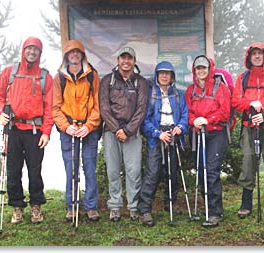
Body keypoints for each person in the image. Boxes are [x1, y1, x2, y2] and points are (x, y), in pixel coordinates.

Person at [0, 37, 54, 224]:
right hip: (12, 128)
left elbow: (50, 107)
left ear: (40, 54)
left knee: (35, 170)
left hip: (35, 131)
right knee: (13, 169)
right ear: (23, 50)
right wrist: (0, 111)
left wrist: (46, 132)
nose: (32, 52)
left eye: (36, 50)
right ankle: (17, 206)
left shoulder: (45, 77)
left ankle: (36, 206)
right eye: (29, 49)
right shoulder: (9, 72)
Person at [231, 42, 264, 218]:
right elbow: (235, 101)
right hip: (249, 127)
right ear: (249, 57)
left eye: (260, 53)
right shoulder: (243, 78)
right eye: (253, 54)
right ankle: (246, 204)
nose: (257, 56)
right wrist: (250, 104)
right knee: (248, 161)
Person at [52, 40, 101, 222]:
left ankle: (91, 206)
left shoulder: (91, 75)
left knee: (89, 167)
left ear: (82, 55)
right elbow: (55, 108)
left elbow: (98, 105)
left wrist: (89, 125)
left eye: (77, 52)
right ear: (66, 55)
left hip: (89, 130)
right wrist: (66, 126)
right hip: (69, 130)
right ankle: (72, 206)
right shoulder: (59, 78)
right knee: (71, 168)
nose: (74, 55)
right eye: (71, 52)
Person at [99, 46, 148, 222]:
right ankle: (114, 206)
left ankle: (133, 207)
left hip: (132, 133)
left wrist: (127, 131)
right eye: (123, 58)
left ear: (134, 61)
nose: (126, 61)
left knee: (133, 171)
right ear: (118, 60)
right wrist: (116, 129)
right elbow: (104, 107)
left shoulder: (141, 82)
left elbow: (142, 109)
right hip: (111, 132)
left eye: (130, 58)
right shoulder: (107, 81)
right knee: (113, 170)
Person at [138, 61, 188, 227]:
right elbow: (144, 120)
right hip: (156, 137)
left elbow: (185, 115)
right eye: (161, 73)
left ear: (172, 76)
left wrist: (181, 127)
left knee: (172, 172)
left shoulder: (179, 95)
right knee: (153, 173)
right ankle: (145, 209)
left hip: (173, 135)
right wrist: (157, 134)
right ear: (157, 75)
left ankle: (171, 202)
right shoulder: (150, 95)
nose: (164, 76)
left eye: (167, 73)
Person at [185, 55, 231, 226]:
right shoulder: (191, 90)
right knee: (201, 171)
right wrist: (193, 121)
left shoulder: (220, 88)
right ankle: (208, 207)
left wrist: (208, 119)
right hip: (199, 133)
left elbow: (225, 112)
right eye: (198, 68)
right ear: (194, 71)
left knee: (211, 171)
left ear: (210, 69)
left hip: (216, 133)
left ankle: (215, 212)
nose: (201, 71)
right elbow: (187, 112)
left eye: (204, 68)